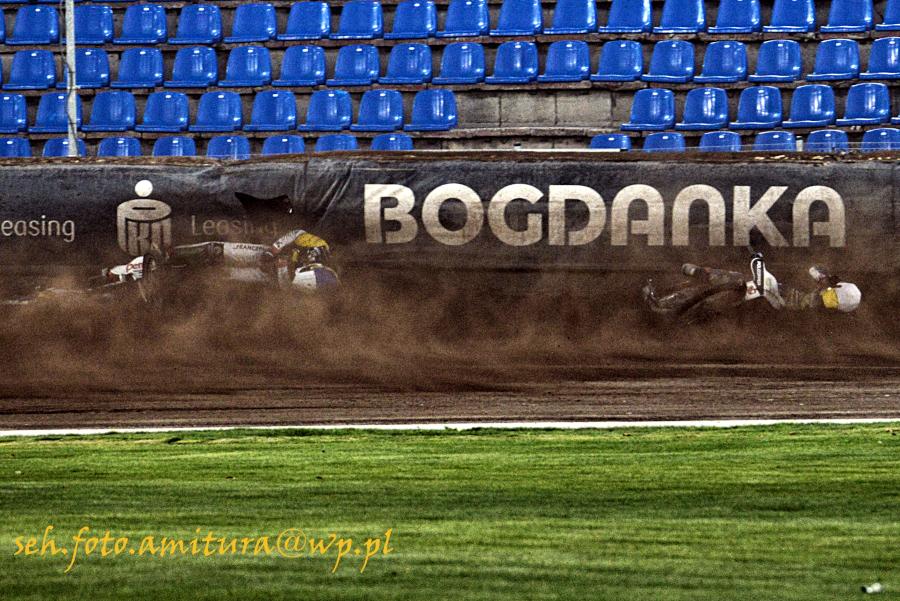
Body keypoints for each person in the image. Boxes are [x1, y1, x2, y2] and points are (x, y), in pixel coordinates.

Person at [643, 258, 860, 322]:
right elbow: (813, 270)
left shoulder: (816, 306)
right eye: (831, 295)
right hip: (771, 294)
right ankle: (690, 283)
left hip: (772, 303)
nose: (827, 297)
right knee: (732, 282)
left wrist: (822, 278)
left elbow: (812, 281)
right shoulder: (826, 301)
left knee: (731, 284)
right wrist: (823, 278)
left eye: (832, 300)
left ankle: (666, 305)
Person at [163, 229, 339, 292]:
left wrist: (281, 270)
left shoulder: (314, 286)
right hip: (266, 253)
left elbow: (286, 288)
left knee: (222, 275)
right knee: (215, 249)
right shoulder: (318, 245)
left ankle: (175, 279)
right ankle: (172, 254)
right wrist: (275, 248)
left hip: (270, 277)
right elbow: (298, 233)